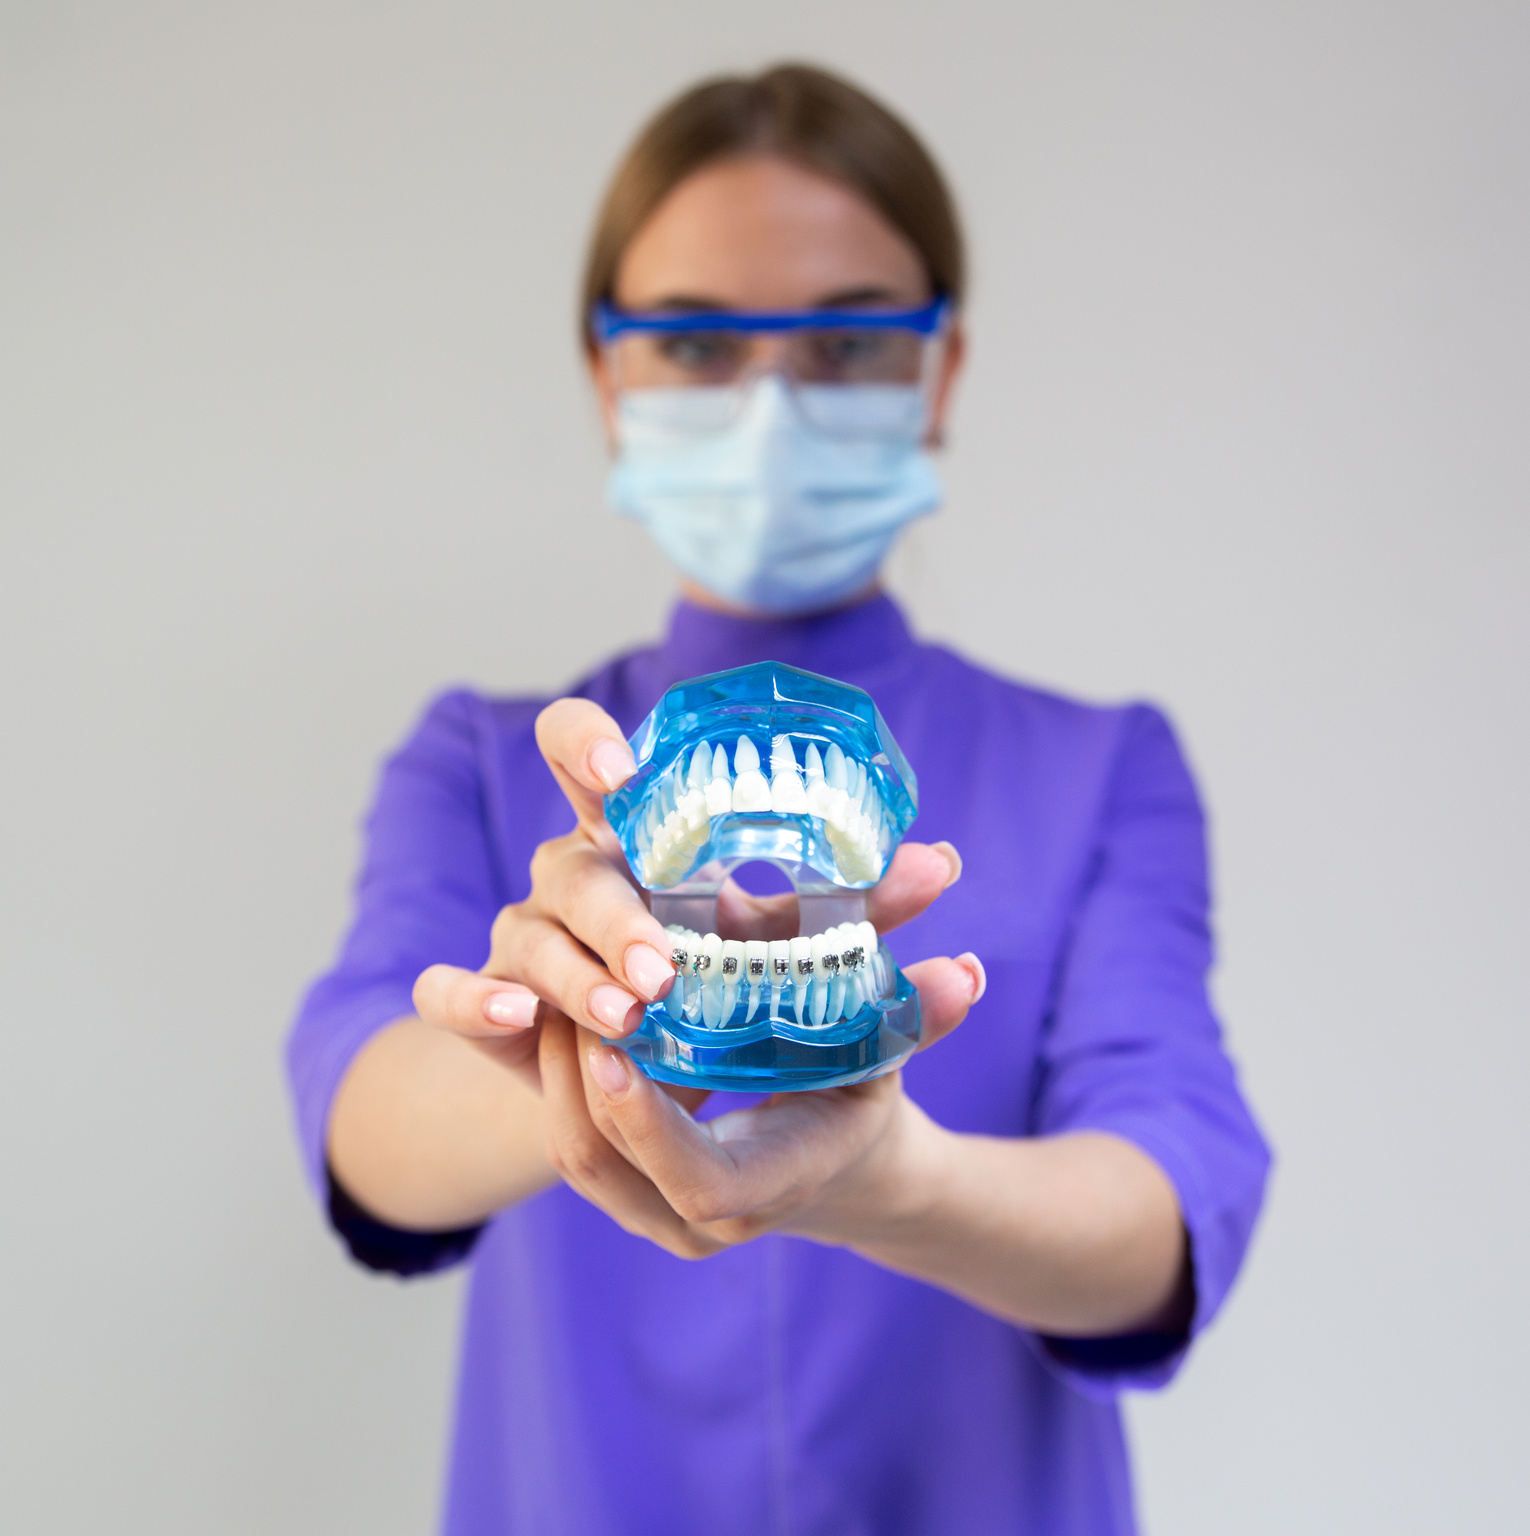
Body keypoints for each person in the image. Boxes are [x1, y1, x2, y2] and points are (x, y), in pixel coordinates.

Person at [286, 63, 1270, 1536]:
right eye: (693, 343)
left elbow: (1168, 1211)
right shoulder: (483, 766)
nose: (769, 407)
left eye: (849, 344)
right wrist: (579, 1041)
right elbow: (363, 1123)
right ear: (605, 373)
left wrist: (890, 1182)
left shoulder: (1103, 771)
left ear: (941, 371)